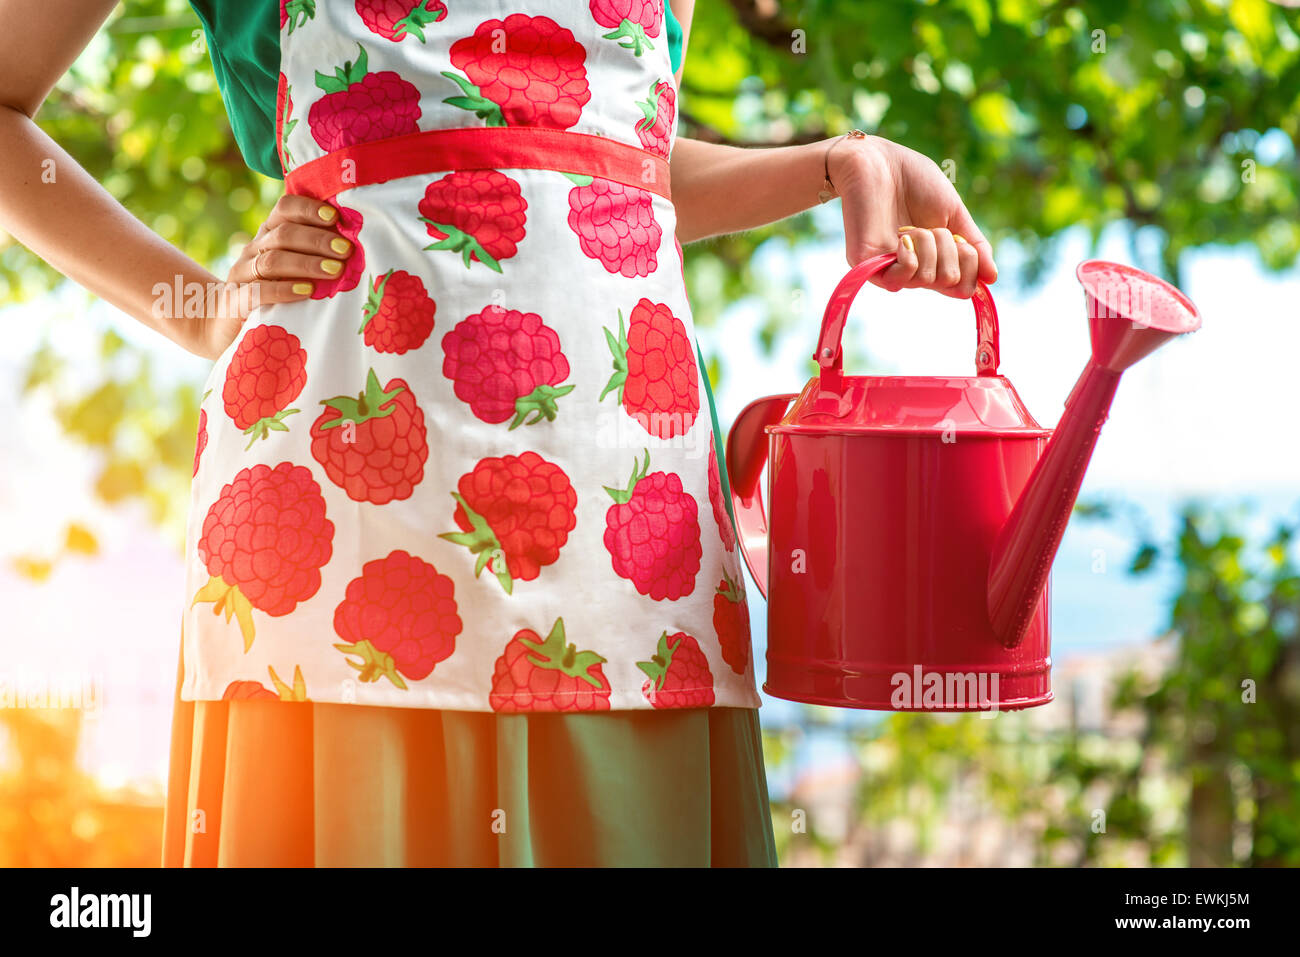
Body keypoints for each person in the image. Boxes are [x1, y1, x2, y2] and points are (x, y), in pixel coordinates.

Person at [0, 0, 996, 866]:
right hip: (339, 526)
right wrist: (197, 307)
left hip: (629, 524)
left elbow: (607, 165)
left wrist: (836, 165)